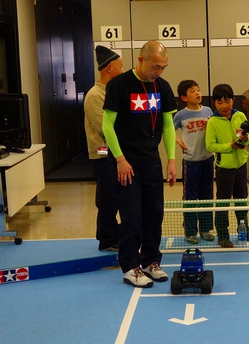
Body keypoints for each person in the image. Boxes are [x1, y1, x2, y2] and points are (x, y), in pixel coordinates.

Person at [102, 40, 177, 288]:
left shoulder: (162, 87)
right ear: (141, 60)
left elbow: (167, 125)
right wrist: (120, 160)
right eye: (156, 66)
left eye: (163, 67)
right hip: (126, 164)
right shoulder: (119, 85)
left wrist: (171, 160)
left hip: (151, 162)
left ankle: (151, 261)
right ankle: (131, 266)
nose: (159, 72)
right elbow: (107, 125)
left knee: (154, 214)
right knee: (132, 217)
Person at [205, 83, 249, 248]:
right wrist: (230, 146)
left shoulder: (240, 116)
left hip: (241, 166)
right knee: (223, 203)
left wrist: (244, 139)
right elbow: (210, 146)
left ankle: (244, 231)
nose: (224, 106)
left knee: (241, 201)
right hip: (224, 170)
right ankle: (223, 235)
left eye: (227, 101)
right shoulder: (213, 122)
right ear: (215, 103)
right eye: (220, 102)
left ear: (233, 100)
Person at [84, 46, 123, 252]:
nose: (122, 71)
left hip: (116, 153)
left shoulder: (113, 91)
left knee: (120, 196)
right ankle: (107, 238)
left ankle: (117, 234)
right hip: (102, 153)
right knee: (107, 197)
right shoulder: (94, 96)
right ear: (110, 68)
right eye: (120, 67)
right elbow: (104, 128)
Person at [173, 80, 215, 244]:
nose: (198, 93)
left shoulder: (208, 110)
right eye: (192, 91)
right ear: (184, 97)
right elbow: (169, 129)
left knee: (206, 196)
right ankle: (190, 231)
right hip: (191, 162)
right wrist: (178, 141)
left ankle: (205, 229)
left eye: (198, 90)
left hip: (207, 159)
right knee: (190, 198)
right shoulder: (181, 115)